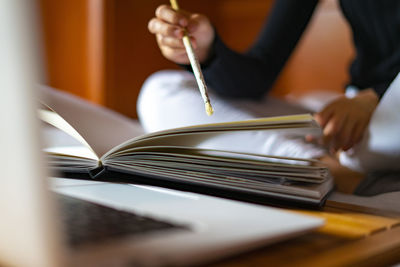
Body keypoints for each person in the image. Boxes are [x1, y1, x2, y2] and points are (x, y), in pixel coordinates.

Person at [139, 0, 400, 194]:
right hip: (353, 114)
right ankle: (323, 168)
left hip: (389, 108)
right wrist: (207, 49)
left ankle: (333, 167)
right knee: (161, 91)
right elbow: (257, 78)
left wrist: (375, 97)